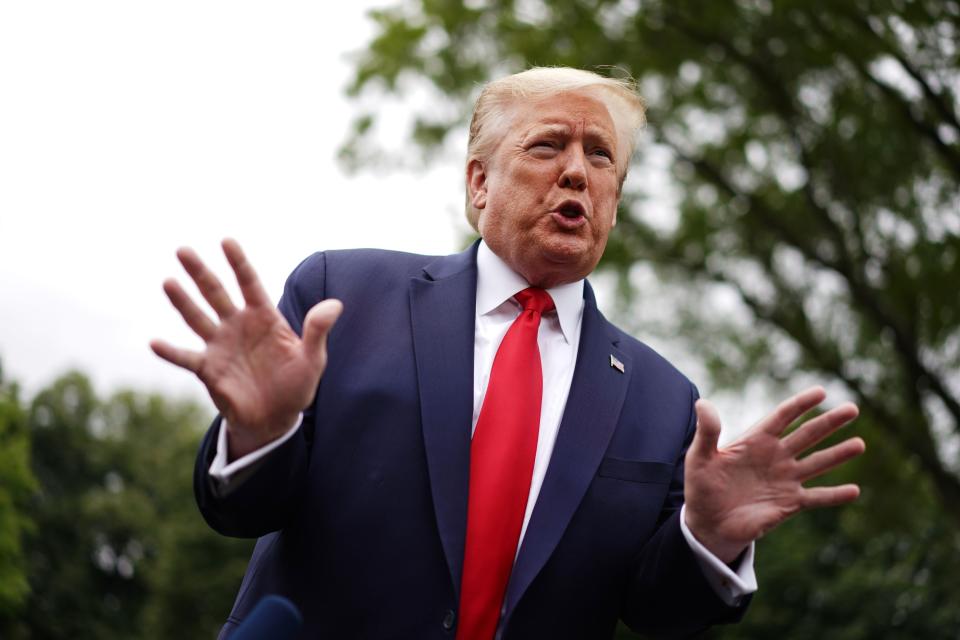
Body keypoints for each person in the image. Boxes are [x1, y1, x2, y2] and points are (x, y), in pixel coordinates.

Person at [152, 67, 865, 639]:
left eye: (600, 156)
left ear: (613, 201)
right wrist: (262, 432)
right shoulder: (345, 298)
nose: (578, 174)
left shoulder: (664, 399)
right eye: (549, 145)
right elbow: (240, 513)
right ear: (479, 182)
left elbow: (657, 612)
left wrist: (706, 540)